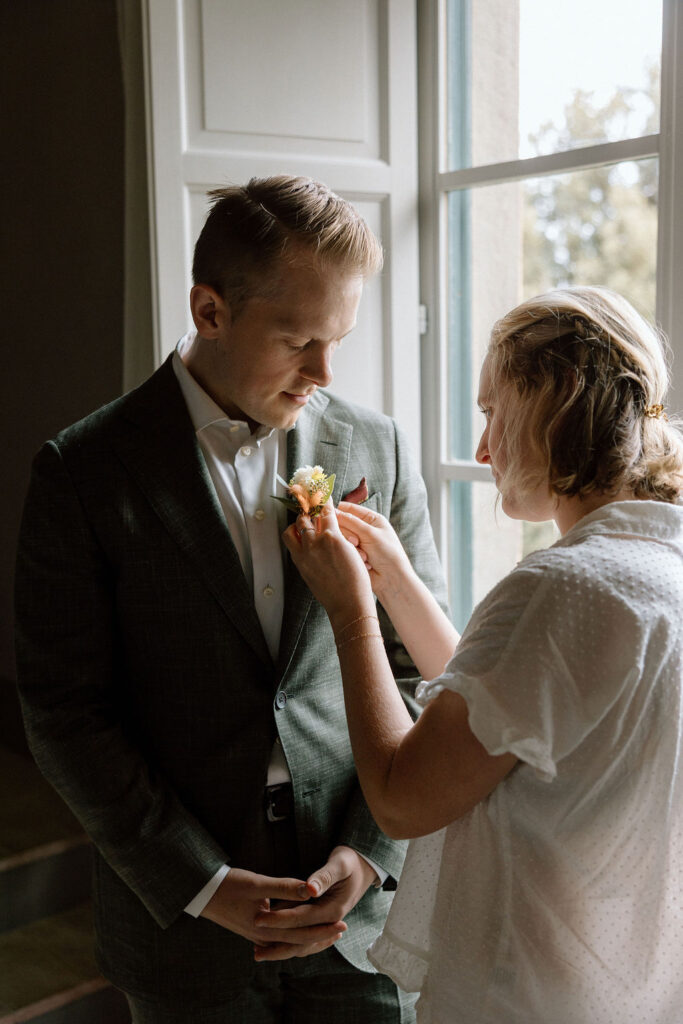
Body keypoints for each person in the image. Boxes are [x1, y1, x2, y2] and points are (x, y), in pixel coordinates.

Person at [14, 176, 448, 1022]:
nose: (323, 374)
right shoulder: (82, 472)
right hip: (182, 929)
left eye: (339, 341)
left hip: (356, 919)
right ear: (209, 311)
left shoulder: (375, 445)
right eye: (297, 340)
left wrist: (368, 852)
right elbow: (65, 711)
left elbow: (415, 670)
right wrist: (201, 883)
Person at [279, 286, 683, 1023]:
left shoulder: (560, 587)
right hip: (626, 989)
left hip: (525, 988)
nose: (482, 450)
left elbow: (402, 798)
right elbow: (505, 714)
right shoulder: (656, 564)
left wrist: (351, 612)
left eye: (492, 411)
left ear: (553, 405)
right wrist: (397, 581)